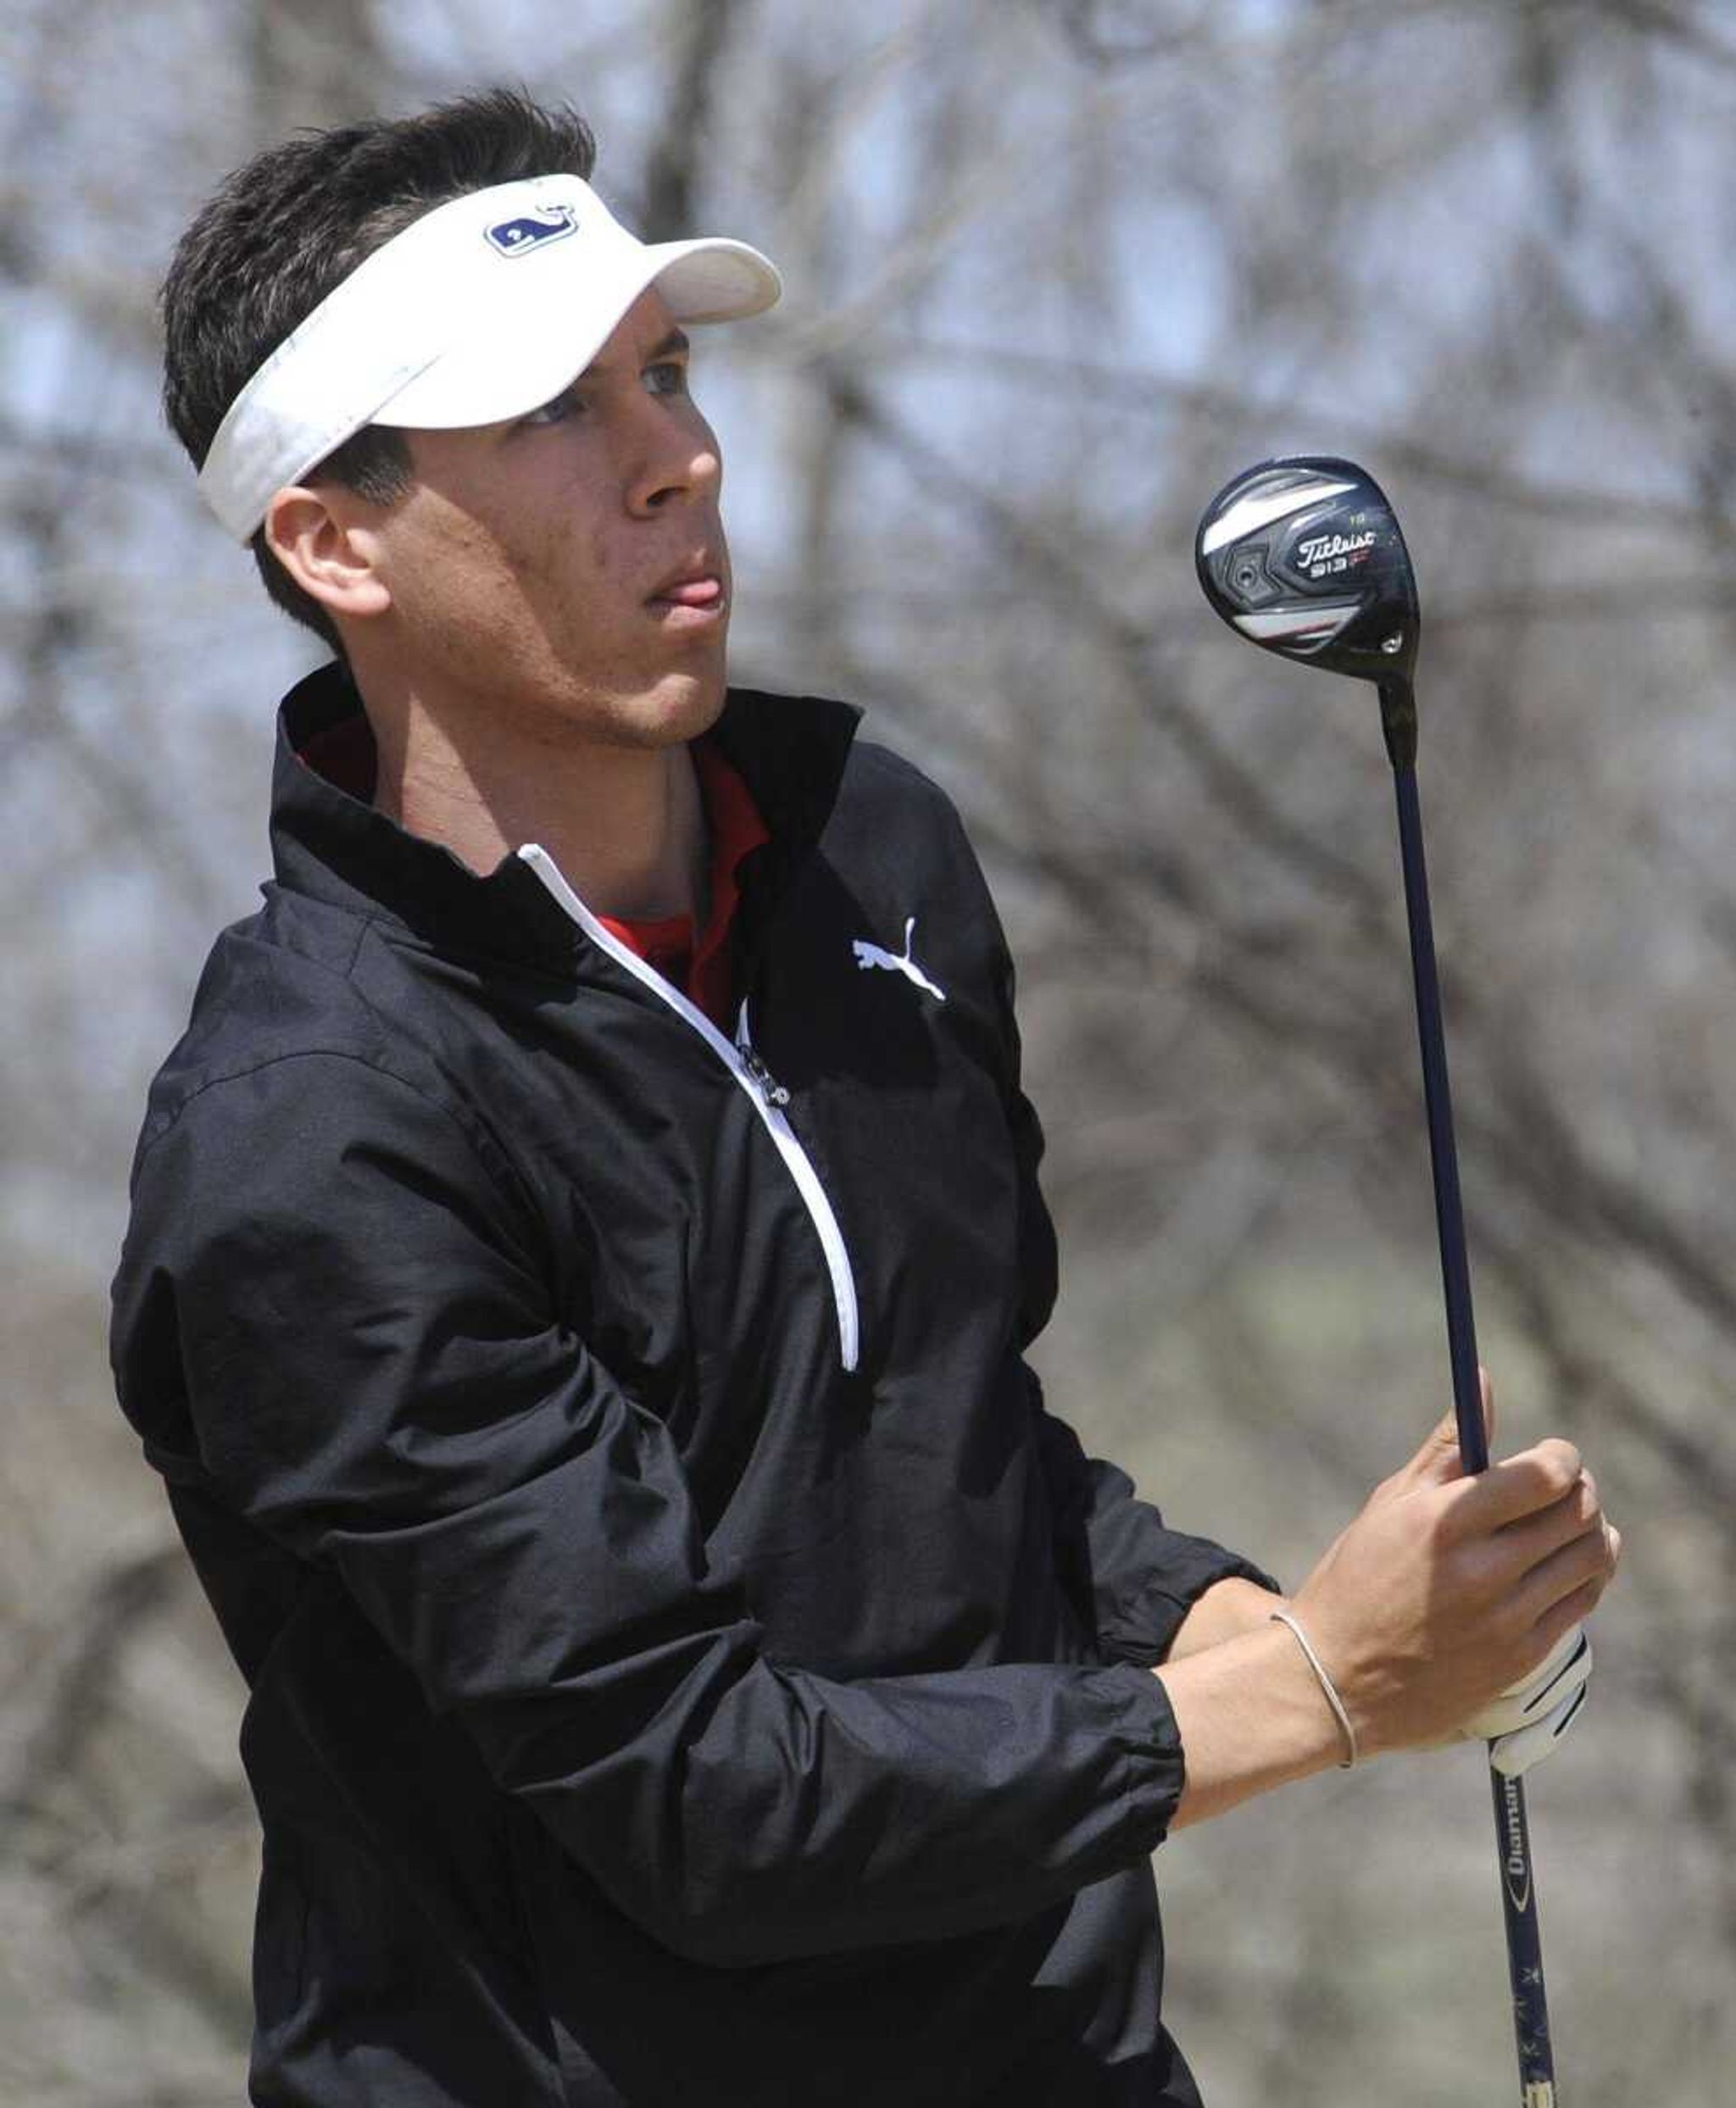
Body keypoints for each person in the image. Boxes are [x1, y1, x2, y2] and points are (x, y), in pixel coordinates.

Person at [109, 87, 1618, 2108]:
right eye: (556, 411)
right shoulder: (313, 1134)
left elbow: (953, 1454)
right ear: (330, 539)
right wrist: (1318, 1691)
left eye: (665, 372)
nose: (680, 460)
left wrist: (1278, 1611)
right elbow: (704, 1798)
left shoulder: (869, 859)